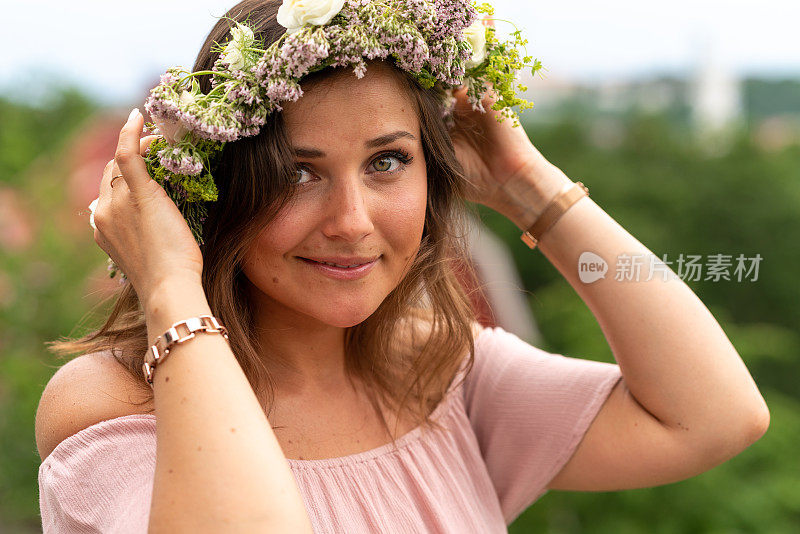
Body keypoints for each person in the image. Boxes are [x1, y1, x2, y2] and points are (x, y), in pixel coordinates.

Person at [35, 0, 770, 532]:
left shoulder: (438, 372)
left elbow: (714, 416)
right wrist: (170, 288)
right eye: (297, 173)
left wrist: (532, 191)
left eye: (388, 161)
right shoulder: (119, 407)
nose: (352, 222)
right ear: (218, 187)